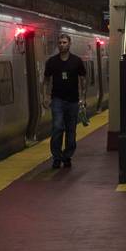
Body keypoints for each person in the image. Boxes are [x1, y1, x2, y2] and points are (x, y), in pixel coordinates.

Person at [42, 33, 87, 168]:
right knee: (57, 127)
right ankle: (56, 156)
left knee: (71, 130)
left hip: (73, 101)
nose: (62, 45)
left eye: (64, 42)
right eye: (60, 43)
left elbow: (83, 78)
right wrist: (45, 96)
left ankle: (67, 156)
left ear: (69, 43)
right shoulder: (52, 62)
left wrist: (83, 97)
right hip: (57, 100)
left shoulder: (77, 61)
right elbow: (46, 80)